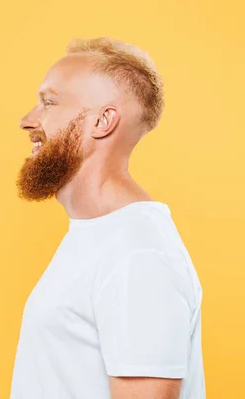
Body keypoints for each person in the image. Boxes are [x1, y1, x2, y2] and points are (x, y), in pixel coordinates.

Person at [11, 37, 205, 399]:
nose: (27, 121)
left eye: (48, 102)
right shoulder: (98, 235)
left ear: (102, 120)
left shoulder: (139, 255)